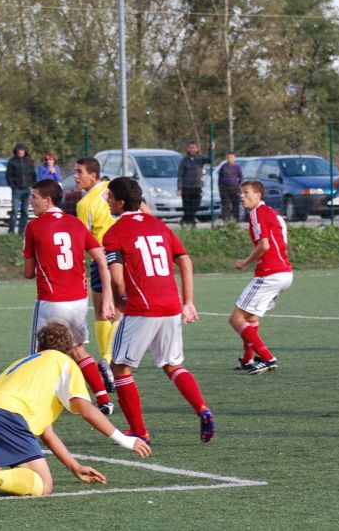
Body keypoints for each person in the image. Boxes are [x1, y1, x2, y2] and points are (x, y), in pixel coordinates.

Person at [0, 322, 150, 504]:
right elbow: (87, 410)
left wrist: (74, 466)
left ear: (39, 345)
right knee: (43, 485)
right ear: (69, 348)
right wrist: (125, 440)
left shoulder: (26, 362)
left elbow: (46, 431)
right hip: (4, 416)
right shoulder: (64, 363)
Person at [103, 176, 215, 444]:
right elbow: (185, 261)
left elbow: (117, 278)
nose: (106, 201)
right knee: (172, 364)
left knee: (119, 368)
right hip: (170, 305)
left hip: (143, 308)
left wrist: (120, 302)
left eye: (109, 197)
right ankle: (202, 408)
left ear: (120, 202)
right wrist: (188, 301)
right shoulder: (159, 226)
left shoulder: (114, 233)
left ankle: (140, 432)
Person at [24, 179, 117, 415]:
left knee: (38, 355)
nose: (31, 201)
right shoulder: (75, 224)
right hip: (77, 301)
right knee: (77, 349)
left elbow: (27, 273)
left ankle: (35, 402)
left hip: (51, 300)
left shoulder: (34, 226)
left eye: (34, 197)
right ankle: (104, 399)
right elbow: (101, 258)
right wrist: (107, 298)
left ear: (48, 200)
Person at [231, 180, 293, 374]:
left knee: (236, 318)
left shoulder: (257, 212)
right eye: (241, 192)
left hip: (271, 273)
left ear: (258, 195)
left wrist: (245, 262)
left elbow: (264, 245)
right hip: (285, 272)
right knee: (251, 316)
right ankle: (248, 359)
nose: (242, 196)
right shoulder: (273, 214)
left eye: (246, 192)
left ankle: (267, 358)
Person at [74, 157, 118, 390]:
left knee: (102, 312)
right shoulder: (113, 187)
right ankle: (112, 358)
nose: (76, 176)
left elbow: (83, 239)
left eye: (80, 172)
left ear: (93, 175)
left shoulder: (85, 204)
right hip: (123, 257)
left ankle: (107, 359)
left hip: (101, 259)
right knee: (120, 310)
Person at [6, 142, 37, 234]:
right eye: (19, 150)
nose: (20, 152)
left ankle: (22, 231)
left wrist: (32, 185)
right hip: (16, 189)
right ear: (16, 151)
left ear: (25, 151)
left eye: (22, 150)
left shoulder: (29, 161)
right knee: (15, 210)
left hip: (27, 189)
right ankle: (11, 231)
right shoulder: (12, 161)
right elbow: (8, 175)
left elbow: (33, 174)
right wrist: (13, 186)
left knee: (25, 211)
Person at [177, 141, 209, 225]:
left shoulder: (200, 158)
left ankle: (186, 220)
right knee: (187, 206)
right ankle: (190, 222)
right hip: (186, 187)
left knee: (196, 205)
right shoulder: (184, 160)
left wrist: (211, 149)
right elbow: (180, 174)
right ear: (188, 149)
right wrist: (179, 188)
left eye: (194, 148)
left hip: (197, 186)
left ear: (197, 149)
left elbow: (210, 160)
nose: (192, 149)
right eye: (190, 148)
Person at [218, 152, 243, 222]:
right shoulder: (223, 167)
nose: (230, 159)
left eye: (232, 157)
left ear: (234, 158)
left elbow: (241, 177)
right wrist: (220, 187)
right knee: (226, 205)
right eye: (229, 157)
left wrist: (239, 186)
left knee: (236, 204)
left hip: (235, 188)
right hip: (225, 189)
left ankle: (236, 220)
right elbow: (220, 178)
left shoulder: (237, 167)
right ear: (226, 158)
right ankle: (226, 220)